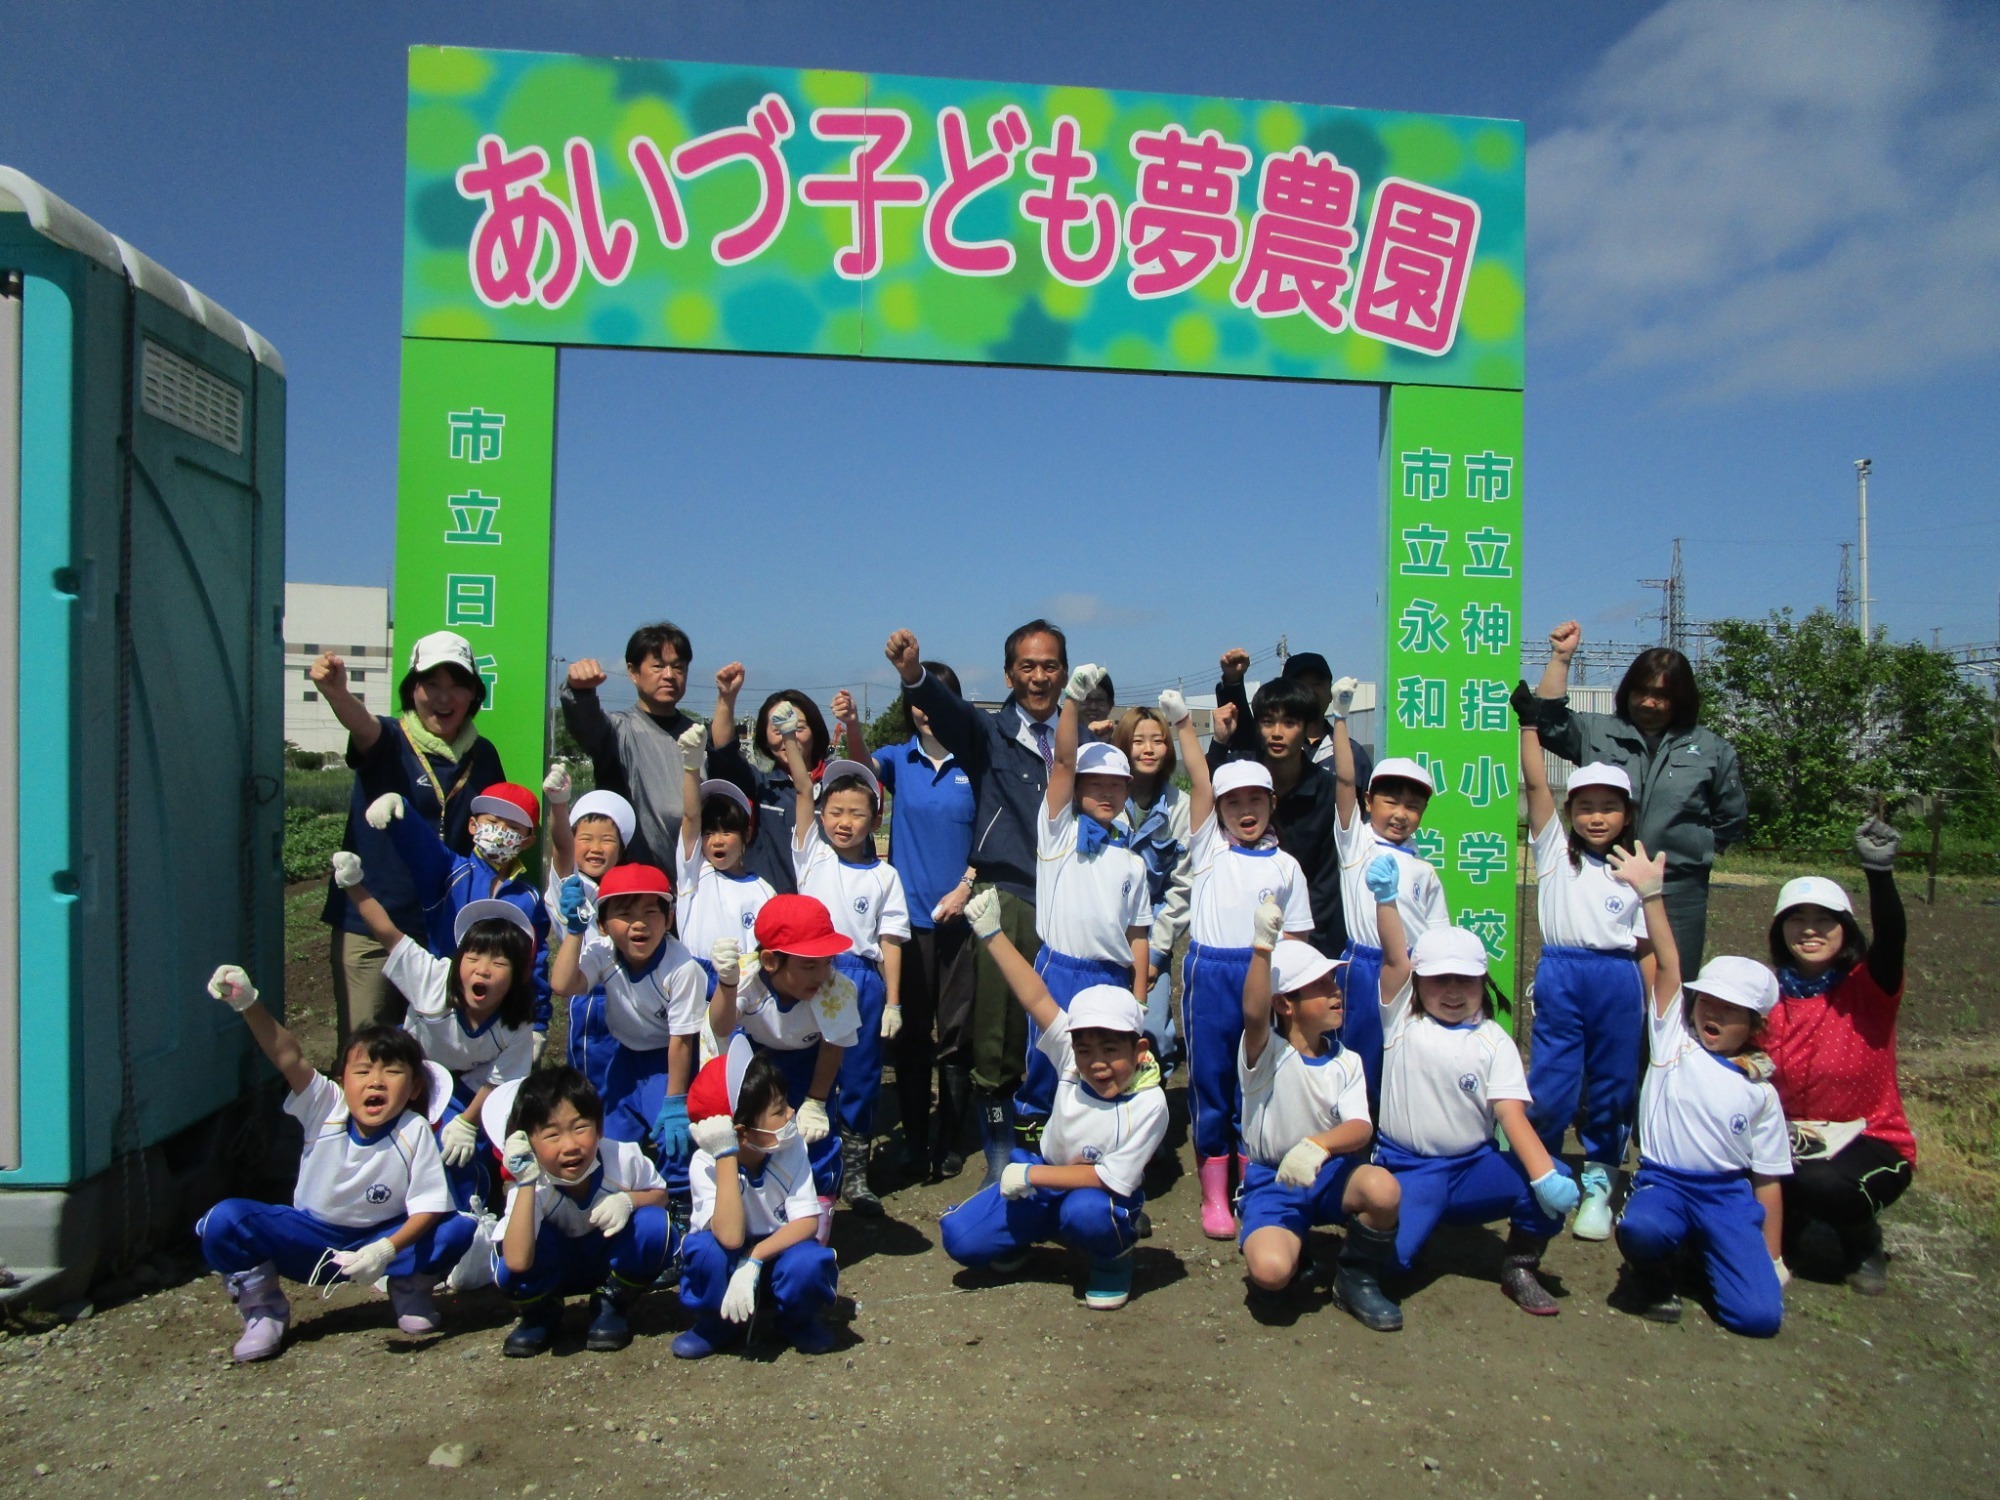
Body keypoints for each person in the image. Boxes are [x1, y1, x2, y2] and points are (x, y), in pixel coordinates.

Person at [196, 964, 472, 1362]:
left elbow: (428, 1207)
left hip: (380, 1242)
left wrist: (383, 1251)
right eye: (363, 1071)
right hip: (310, 1239)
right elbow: (288, 1056)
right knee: (225, 1220)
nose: (376, 1081)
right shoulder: (325, 1105)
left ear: (413, 1087)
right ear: (342, 1080)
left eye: (392, 1072)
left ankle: (410, 1288)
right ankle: (263, 1310)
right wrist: (248, 1003)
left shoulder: (414, 1130)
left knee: (457, 1227)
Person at [886, 621, 1064, 1187]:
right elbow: (949, 709)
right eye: (1028, 667)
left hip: (1069, 894)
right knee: (998, 1033)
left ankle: (1065, 1145)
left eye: (1050, 665)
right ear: (1009, 673)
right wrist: (914, 676)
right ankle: (999, 1152)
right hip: (1007, 892)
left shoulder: (1076, 738)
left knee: (1063, 1024)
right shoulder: (988, 733)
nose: (1039, 677)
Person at [940, 891, 1168, 1312]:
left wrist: (1031, 1177)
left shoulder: (1151, 1104)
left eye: (1110, 1050)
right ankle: (1028, 1235)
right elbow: (1037, 997)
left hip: (1093, 1193)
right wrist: (992, 932)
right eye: (1085, 1050)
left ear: (1138, 1051)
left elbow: (1104, 1179)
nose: (1096, 1063)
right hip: (1045, 1175)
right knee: (960, 1238)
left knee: (1087, 1213)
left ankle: (1113, 1255)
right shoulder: (1070, 1054)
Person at [1370, 858, 1579, 1315]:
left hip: (1471, 1169)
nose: (1451, 990)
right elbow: (1393, 955)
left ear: (1483, 982)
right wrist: (1387, 902)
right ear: (1418, 980)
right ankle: (1398, 1232)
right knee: (1387, 1269)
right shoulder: (1401, 1015)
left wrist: (1544, 1177)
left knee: (1554, 1178)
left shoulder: (1493, 1040)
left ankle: (1519, 1266)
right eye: (1439, 978)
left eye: (1464, 980)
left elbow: (1510, 1114)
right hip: (1408, 1171)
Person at [1609, 850, 1790, 1338]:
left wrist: (1772, 1259)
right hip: (1663, 1182)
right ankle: (1654, 1273)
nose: (1714, 1014)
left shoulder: (1761, 1092)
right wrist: (1651, 894)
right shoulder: (1673, 1043)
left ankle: (1710, 1256)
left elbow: (1768, 1180)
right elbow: (1668, 965)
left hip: (1727, 1195)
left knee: (1758, 1318)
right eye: (1708, 1001)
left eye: (1731, 1011)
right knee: (1641, 1230)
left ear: (1755, 1024)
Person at [313, 630, 505, 1050]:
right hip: (370, 925)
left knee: (435, 1047)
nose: (444, 697)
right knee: (368, 1046)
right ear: (412, 689)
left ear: (474, 694)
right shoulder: (388, 739)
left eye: (457, 685)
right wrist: (335, 694)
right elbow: (360, 724)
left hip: (440, 930)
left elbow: (495, 832)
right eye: (431, 684)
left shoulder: (484, 755)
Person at [1173, 691, 1315, 1239]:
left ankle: (1252, 1180)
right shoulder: (1209, 848)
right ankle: (1215, 1188)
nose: (1245, 810)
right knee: (1211, 1079)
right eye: (1234, 803)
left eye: (1257, 799)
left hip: (1269, 977)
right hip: (1211, 974)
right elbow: (1199, 779)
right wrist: (1186, 725)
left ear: (1272, 803)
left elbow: (1298, 939)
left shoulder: (1288, 867)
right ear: (1220, 810)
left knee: (1263, 1079)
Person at [1531, 621, 1748, 969]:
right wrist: (1561, 657)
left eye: (1661, 696)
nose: (1649, 702)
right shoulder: (1596, 732)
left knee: (1673, 983)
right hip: (1602, 879)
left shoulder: (1711, 749)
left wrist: (1693, 851)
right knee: (1608, 983)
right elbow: (1547, 721)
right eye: (1641, 691)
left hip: (1676, 889)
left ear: (1681, 700)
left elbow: (1730, 817)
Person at [1517, 684, 1651, 1241]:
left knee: (1615, 1084)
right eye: (1587, 807)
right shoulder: (1555, 851)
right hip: (1563, 974)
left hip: (1618, 979)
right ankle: (1543, 1168)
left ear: (1627, 815)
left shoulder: (1637, 866)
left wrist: (1656, 1010)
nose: (1597, 818)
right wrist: (1528, 724)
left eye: (1609, 808)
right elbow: (1534, 781)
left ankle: (1600, 1180)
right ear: (1571, 812)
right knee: (1551, 1082)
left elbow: (1645, 946)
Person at [1236, 903, 1403, 1331]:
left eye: (1333, 981)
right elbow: (1255, 1014)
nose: (1336, 991)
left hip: (1328, 1173)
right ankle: (1290, 1253)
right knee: (1271, 1274)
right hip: (1273, 1180)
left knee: (1382, 1189)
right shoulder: (1265, 1053)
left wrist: (1319, 1145)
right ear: (1285, 1004)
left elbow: (1361, 1127)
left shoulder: (1346, 1060)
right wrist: (1262, 948)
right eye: (1321, 986)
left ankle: (1356, 1277)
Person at [1762, 818, 1912, 1296]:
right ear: (1780, 930)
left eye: (1824, 920)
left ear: (1845, 930)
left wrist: (1879, 873)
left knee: (1824, 1185)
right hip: (1790, 1138)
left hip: (1867, 1139)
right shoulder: (1766, 997)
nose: (1810, 930)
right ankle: (1801, 1222)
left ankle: (1862, 1236)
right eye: (1797, 920)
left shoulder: (1868, 990)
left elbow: (1892, 941)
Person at [336, 852, 535, 1212]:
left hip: (469, 1086)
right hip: (414, 1070)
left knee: (462, 1148)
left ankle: (468, 1215)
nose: (483, 970)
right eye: (473, 958)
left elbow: (497, 1081)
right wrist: (353, 885)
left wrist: (466, 1122)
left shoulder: (516, 1023)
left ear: (519, 975)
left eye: (499, 962)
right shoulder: (432, 979)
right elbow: (387, 933)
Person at [777, 725, 911, 1216]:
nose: (844, 822)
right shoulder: (810, 854)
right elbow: (802, 788)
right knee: (808, 1073)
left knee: (860, 1077)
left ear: (876, 819)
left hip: (861, 980)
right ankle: (802, 1164)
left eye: (857, 813)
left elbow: (891, 941)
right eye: (835, 812)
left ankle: (854, 1172)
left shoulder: (884, 875)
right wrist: (792, 740)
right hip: (808, 972)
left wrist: (892, 1001)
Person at [1014, 664, 1150, 1143]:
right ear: (1078, 789)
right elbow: (1064, 763)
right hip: (1060, 970)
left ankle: (1103, 1152)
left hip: (1112, 976)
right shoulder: (1058, 832)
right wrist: (1071, 699)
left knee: (1107, 1069)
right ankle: (1031, 1153)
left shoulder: (1131, 861)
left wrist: (1139, 993)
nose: (1107, 793)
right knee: (1048, 1066)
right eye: (1096, 784)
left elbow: (1139, 934)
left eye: (1117, 786)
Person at [548, 864, 715, 1233]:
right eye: (624, 914)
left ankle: (682, 1209)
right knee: (611, 1137)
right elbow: (563, 984)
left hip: (667, 1061)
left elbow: (681, 1040)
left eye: (650, 913)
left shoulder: (682, 967)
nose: (639, 924)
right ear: (604, 925)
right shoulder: (603, 952)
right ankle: (624, 1202)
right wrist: (575, 930)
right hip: (624, 1058)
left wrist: (675, 1100)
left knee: (675, 1135)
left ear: (668, 917)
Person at [871, 665, 980, 1181]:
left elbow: (995, 829)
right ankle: (915, 1142)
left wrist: (969, 885)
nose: (926, 710)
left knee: (958, 1034)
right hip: (909, 923)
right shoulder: (897, 759)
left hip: (965, 921)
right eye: (916, 700)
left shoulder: (976, 762)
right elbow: (854, 773)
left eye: (937, 700)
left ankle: (951, 1141)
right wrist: (849, 724)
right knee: (911, 1035)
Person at [676, 1037, 842, 1358]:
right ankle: (717, 1323)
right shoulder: (705, 1164)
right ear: (741, 1132)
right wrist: (726, 1155)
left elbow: (808, 1222)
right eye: (780, 1110)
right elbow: (729, 1236)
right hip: (729, 1255)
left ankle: (796, 1320)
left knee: (809, 1261)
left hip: (777, 1254)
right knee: (703, 1251)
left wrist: (755, 1258)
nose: (791, 1114)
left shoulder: (790, 1148)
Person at [709, 894, 860, 1242]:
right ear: (771, 960)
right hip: (757, 1060)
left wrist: (817, 1101)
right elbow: (720, 1027)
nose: (822, 974)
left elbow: (833, 1045)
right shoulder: (747, 977)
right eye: (809, 966)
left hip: (810, 1064)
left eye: (828, 961)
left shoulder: (837, 988)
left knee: (817, 1139)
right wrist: (726, 985)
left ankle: (816, 1222)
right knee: (754, 1135)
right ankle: (751, 1212)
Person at [495, 1067, 674, 1356]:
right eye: (552, 1135)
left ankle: (611, 1302)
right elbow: (516, 1261)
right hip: (558, 1267)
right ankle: (541, 1311)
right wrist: (526, 1182)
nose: (570, 1146)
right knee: (507, 1259)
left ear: (600, 1128)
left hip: (608, 1260)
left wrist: (628, 1201)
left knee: (655, 1227)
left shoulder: (622, 1157)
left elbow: (661, 1195)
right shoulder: (532, 1184)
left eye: (580, 1128)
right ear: (528, 1140)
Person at [1330, 693, 1450, 1106]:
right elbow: (1344, 780)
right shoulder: (1357, 842)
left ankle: (1393, 1139)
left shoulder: (1425, 869)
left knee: (1406, 1057)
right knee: (1358, 1057)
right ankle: (1357, 1140)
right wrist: (1340, 719)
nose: (1401, 813)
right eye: (1391, 802)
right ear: (1368, 803)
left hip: (1414, 972)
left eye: (1413, 806)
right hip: (1362, 967)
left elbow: (1439, 933)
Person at [362, 779, 552, 1038]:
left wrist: (538, 1023)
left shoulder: (529, 896)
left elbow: (536, 961)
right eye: (493, 822)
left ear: (528, 840)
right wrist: (402, 813)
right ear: (473, 825)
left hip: (503, 1018)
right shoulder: (450, 871)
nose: (500, 832)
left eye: (512, 828)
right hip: (441, 1007)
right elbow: (423, 848)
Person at [1207, 670, 1355, 964]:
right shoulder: (1242, 778)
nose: (1277, 732)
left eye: (1289, 722)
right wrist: (1219, 742)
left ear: (1307, 727)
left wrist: (1313, 956)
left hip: (1312, 941)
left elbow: (1325, 883)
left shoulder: (1325, 790)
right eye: (1267, 721)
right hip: (1241, 940)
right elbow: (1208, 800)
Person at [559, 621, 699, 867]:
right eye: (658, 666)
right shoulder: (616, 730)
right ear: (633, 672)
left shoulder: (697, 734)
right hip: (634, 883)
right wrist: (579, 692)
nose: (669, 675)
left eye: (678, 667)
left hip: (694, 882)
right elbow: (586, 725)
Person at [538, 773, 638, 1098]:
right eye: (586, 838)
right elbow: (561, 848)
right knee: (587, 1085)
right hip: (585, 993)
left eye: (607, 840)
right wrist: (559, 804)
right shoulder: (568, 883)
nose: (596, 848)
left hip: (626, 993)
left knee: (626, 1076)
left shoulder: (627, 889)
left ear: (622, 848)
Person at [1113, 703, 1193, 1079]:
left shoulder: (1181, 807)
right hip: (1107, 932)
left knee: (1154, 1033)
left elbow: (1182, 887)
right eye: (1138, 741)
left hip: (1154, 931)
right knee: (1106, 1027)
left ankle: (1153, 1115)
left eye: (1158, 741)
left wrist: (1158, 954)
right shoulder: (1104, 800)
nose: (1148, 749)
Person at [704, 662, 830, 894]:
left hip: (831, 910)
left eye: (796, 728)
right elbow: (723, 754)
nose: (787, 735)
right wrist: (726, 698)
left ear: (816, 730)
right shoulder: (759, 785)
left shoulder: (837, 782)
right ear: (764, 738)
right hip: (772, 910)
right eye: (777, 729)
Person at [674, 719, 778, 1001]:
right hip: (693, 979)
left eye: (727, 831)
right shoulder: (694, 872)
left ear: (746, 833)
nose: (717, 840)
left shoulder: (763, 890)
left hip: (743, 987)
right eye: (709, 833)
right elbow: (691, 817)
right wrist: (692, 766)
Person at [1214, 649, 1372, 773]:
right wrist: (1233, 682)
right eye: (1301, 684)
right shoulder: (1266, 744)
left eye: (1317, 684)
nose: (1310, 691)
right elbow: (1242, 734)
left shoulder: (1352, 753)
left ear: (1330, 693)